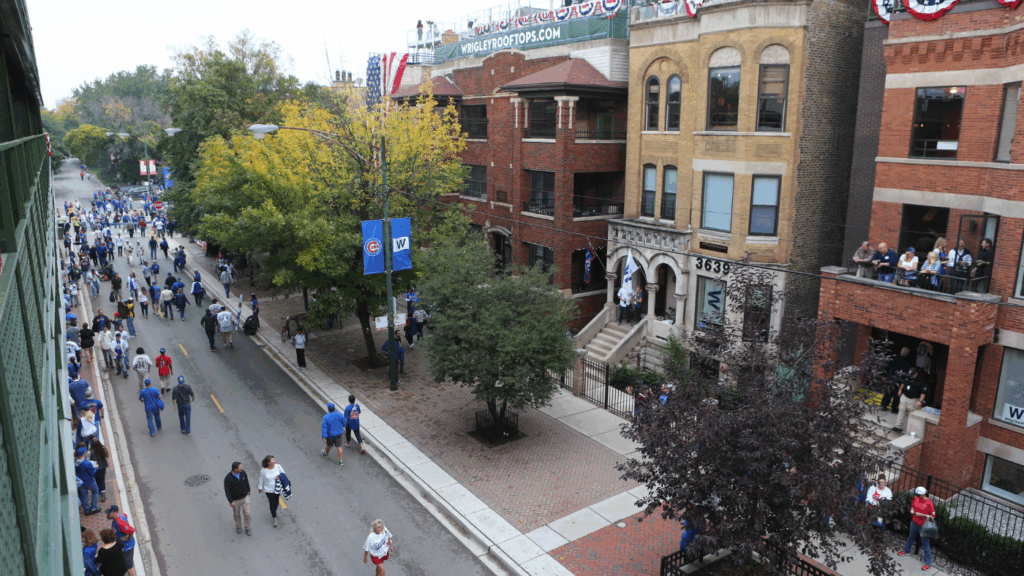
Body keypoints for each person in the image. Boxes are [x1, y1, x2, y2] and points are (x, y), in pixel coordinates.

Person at [900, 486, 935, 570]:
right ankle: (907, 551)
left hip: (924, 525)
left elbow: (933, 516)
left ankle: (928, 562)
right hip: (914, 522)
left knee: (925, 543)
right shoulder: (916, 498)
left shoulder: (929, 503)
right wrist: (912, 510)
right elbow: (912, 505)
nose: (917, 496)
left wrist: (922, 514)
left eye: (919, 494)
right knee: (911, 537)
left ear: (923, 494)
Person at [895, 367, 928, 432]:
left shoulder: (921, 381)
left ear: (916, 374)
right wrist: (900, 390)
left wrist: (920, 401)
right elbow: (903, 383)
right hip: (904, 397)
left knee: (912, 415)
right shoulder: (908, 377)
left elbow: (923, 392)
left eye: (912, 375)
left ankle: (910, 430)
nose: (911, 376)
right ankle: (897, 426)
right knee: (901, 411)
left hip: (913, 400)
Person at [105, 505, 136, 576]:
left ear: (115, 512)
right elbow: (125, 516)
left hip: (126, 547)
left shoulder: (120, 522)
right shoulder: (118, 517)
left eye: (109, 513)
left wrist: (128, 538)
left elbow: (131, 530)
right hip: (121, 546)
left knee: (129, 566)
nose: (107, 514)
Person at [224, 461, 252, 536]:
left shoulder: (243, 473)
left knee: (247, 513)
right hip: (235, 500)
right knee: (237, 514)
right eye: (240, 467)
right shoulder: (228, 478)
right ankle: (238, 526)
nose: (241, 468)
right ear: (235, 469)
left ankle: (247, 527)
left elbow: (246, 481)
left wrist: (248, 490)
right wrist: (230, 501)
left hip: (245, 497)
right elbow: (227, 491)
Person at [258, 455, 286, 527]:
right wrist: (260, 487)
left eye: (274, 459)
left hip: (277, 488)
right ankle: (274, 518)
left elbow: (283, 474)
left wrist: (279, 477)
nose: (274, 461)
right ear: (268, 463)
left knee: (276, 502)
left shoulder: (278, 466)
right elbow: (261, 479)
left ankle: (274, 511)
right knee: (272, 503)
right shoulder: (264, 471)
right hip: (268, 490)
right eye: (272, 460)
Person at [880, 347, 911, 414]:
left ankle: (884, 405)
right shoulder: (907, 364)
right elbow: (906, 375)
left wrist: (884, 375)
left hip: (890, 378)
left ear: (900, 352)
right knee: (897, 396)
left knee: (888, 393)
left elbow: (886, 367)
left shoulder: (893, 358)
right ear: (907, 354)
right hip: (899, 381)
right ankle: (894, 408)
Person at [75, 446, 101, 515]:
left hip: (80, 482)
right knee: (95, 491)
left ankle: (87, 510)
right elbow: (92, 473)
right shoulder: (87, 464)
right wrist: (96, 468)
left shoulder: (75, 462)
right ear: (84, 454)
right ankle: (94, 508)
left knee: (84, 496)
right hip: (89, 481)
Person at [90, 437, 110, 503]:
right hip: (103, 466)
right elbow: (107, 455)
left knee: (97, 479)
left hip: (95, 467)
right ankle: (103, 495)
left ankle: (98, 491)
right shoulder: (102, 448)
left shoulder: (90, 451)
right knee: (102, 479)